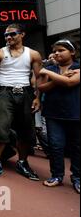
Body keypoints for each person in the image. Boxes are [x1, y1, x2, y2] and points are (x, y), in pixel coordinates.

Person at [0, 24, 42, 180]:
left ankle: (22, 162)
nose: (8, 37)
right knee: (0, 126)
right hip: (4, 92)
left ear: (22, 34)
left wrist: (37, 97)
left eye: (12, 34)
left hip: (26, 92)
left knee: (26, 129)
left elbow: (39, 77)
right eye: (6, 35)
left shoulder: (33, 54)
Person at [39, 40, 80, 194]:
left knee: (77, 147)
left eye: (61, 50)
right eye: (55, 51)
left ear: (72, 52)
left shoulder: (77, 67)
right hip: (53, 114)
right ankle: (57, 176)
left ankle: (77, 177)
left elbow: (70, 83)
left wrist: (50, 75)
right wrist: (59, 77)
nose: (56, 53)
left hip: (76, 113)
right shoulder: (50, 67)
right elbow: (41, 87)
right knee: (56, 146)